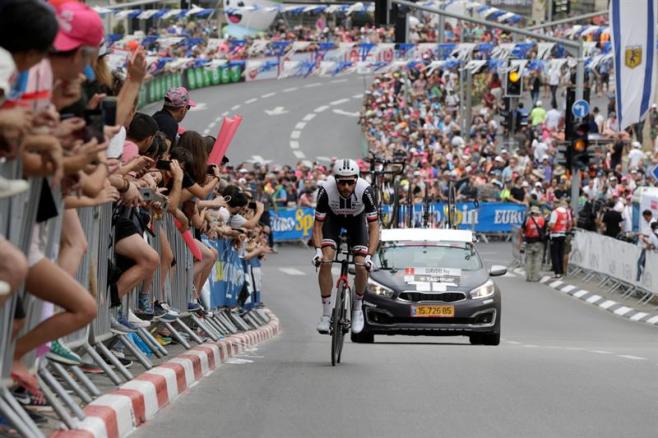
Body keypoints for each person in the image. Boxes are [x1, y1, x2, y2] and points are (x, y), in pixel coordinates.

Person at [311, 159, 379, 335]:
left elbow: (374, 228)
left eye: (350, 182)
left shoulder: (366, 190)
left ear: (356, 180)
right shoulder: (326, 190)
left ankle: (357, 310)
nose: (346, 186)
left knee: (361, 265)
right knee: (326, 260)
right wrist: (318, 252)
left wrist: (370, 255)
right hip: (333, 220)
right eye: (342, 182)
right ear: (335, 180)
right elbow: (317, 225)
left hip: (357, 222)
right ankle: (326, 315)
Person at [547, 198, 572, 278]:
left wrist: (548, 225)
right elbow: (569, 223)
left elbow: (552, 225)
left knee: (555, 254)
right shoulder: (566, 212)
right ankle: (561, 271)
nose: (553, 205)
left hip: (555, 235)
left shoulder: (555, 212)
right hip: (563, 234)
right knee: (560, 253)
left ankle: (557, 272)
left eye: (554, 203)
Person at [522, 206, 545, 282]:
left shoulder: (527, 220)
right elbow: (544, 230)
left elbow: (523, 230)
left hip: (529, 241)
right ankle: (535, 277)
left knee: (529, 259)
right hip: (539, 242)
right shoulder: (542, 220)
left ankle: (528, 276)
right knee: (537, 260)